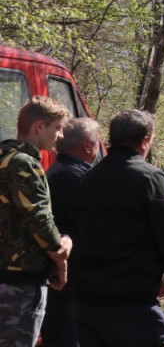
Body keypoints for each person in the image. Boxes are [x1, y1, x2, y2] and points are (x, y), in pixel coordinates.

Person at [74, 109, 164, 347]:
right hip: (133, 300)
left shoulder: (89, 178)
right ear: (145, 141)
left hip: (90, 300)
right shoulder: (150, 178)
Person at [0, 97, 72, 347]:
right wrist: (61, 254)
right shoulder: (23, 163)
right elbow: (39, 218)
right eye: (58, 128)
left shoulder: (4, 159)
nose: (61, 135)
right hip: (19, 283)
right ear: (39, 127)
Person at [42, 117, 101, 347]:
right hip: (71, 279)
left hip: (64, 275)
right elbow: (95, 228)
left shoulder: (59, 171)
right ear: (87, 145)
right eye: (97, 142)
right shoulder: (78, 178)